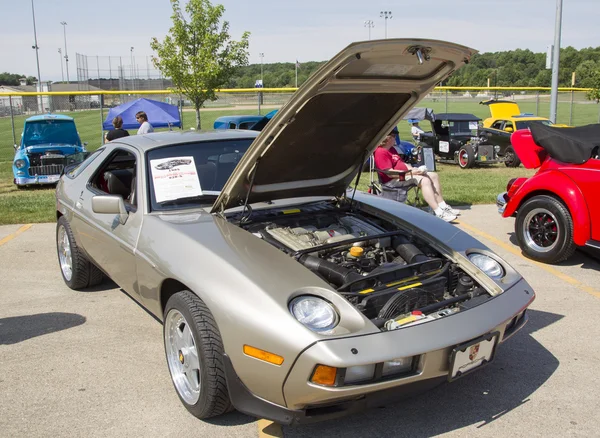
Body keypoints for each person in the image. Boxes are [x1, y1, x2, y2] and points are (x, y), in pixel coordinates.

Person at [374, 129, 460, 222]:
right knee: (425, 180)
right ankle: (438, 212)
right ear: (388, 138)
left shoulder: (392, 149)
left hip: (404, 175)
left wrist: (414, 169)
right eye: (394, 136)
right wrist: (411, 173)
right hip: (393, 180)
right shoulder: (380, 152)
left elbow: (401, 163)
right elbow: (390, 173)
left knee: (433, 175)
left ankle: (442, 206)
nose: (395, 138)